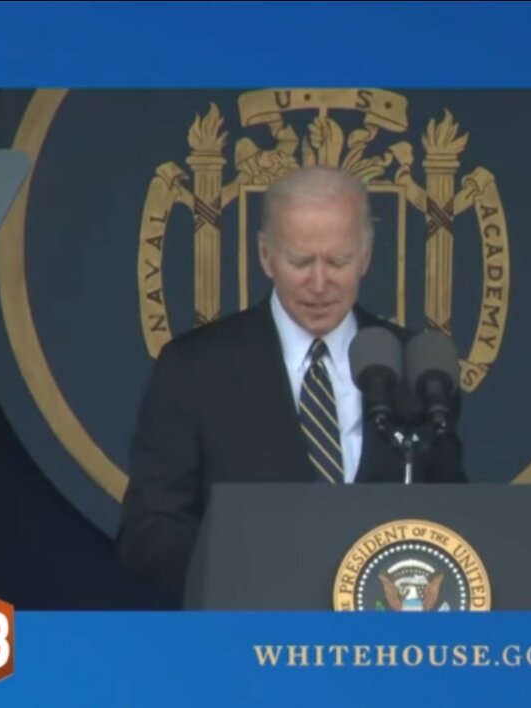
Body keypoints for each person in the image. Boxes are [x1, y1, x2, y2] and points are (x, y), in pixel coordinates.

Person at [116, 166, 466, 598]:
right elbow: (149, 530)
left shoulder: (415, 367)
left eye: (338, 261)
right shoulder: (195, 370)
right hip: (248, 644)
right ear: (265, 255)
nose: (319, 284)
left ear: (366, 257)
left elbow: (455, 521)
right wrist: (251, 570)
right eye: (300, 261)